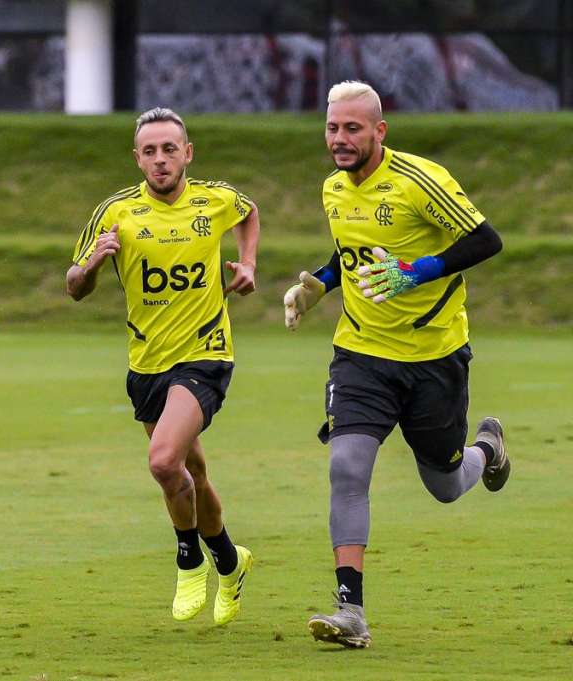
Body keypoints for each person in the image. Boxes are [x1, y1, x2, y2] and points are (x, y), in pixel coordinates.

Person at [283, 81, 510, 648]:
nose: (339, 138)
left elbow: (486, 240)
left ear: (379, 131)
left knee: (445, 485)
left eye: (352, 128)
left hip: (434, 358)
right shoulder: (334, 188)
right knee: (347, 468)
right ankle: (351, 611)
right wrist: (319, 285)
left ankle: (487, 451)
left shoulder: (419, 180)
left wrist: (417, 271)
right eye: (332, 128)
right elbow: (351, 252)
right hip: (361, 354)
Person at [66, 107, 260, 624]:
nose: (160, 159)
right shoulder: (115, 212)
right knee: (190, 472)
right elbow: (74, 286)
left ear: (187, 153)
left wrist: (248, 263)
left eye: (169, 149)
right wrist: (93, 263)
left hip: (206, 354)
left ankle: (189, 560)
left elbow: (248, 211)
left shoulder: (213, 200)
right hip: (148, 362)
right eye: (149, 151)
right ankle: (229, 561)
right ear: (137, 158)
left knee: (162, 461)